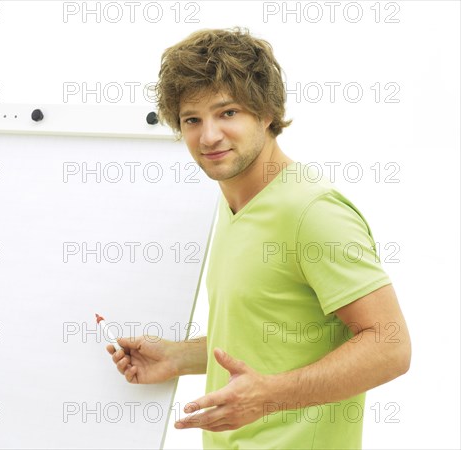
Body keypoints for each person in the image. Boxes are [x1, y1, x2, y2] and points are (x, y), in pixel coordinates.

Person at [106, 28, 411, 449]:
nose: (208, 136)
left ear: (266, 113)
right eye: (192, 119)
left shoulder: (311, 212)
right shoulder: (233, 202)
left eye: (227, 112)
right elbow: (275, 334)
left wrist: (268, 397)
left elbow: (390, 347)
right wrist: (178, 357)